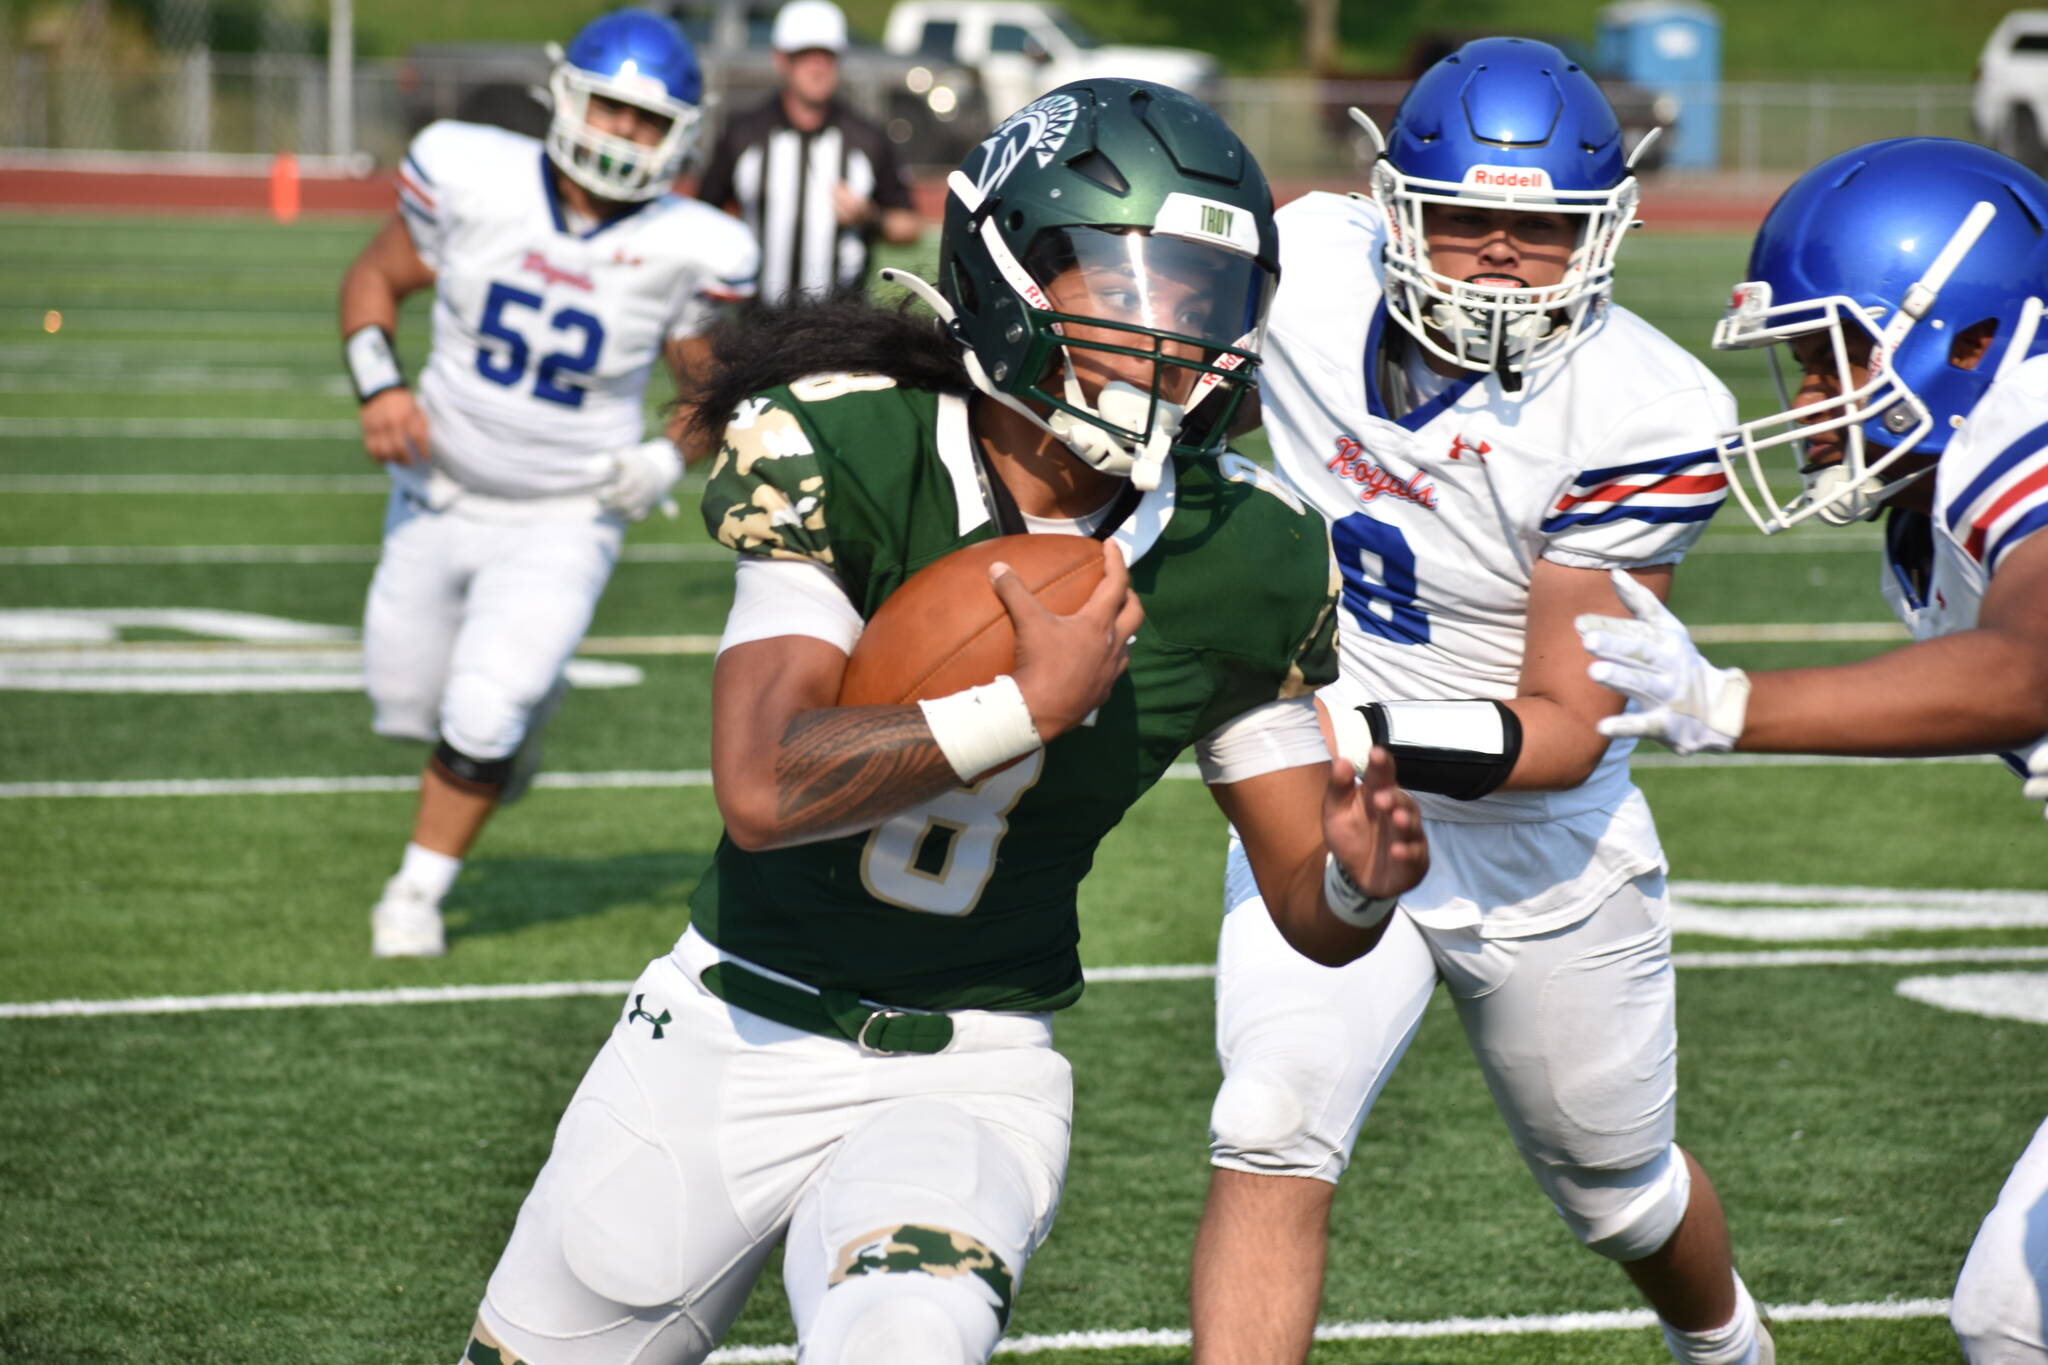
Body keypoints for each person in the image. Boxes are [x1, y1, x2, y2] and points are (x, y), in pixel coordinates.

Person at [453, 79, 1429, 1365]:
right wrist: (1018, 706)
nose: (1168, 334)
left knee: (903, 1338)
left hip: (969, 1070)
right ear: (1007, 272)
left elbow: (1308, 904)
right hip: (721, 1032)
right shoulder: (852, 443)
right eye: (1125, 285)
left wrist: (1360, 888)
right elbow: (759, 785)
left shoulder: (1243, 546)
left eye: (1198, 298)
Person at [1188, 37, 1776, 1365]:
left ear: (1601, 233)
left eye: (1541, 227)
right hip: (1334, 793)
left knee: (1617, 1192)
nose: (1504, 252)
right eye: (1466, 218)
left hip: (1535, 842)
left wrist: (1334, 728)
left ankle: (1730, 1346)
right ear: (1398, 206)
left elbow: (1568, 729)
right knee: (1271, 1118)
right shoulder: (1312, 270)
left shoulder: (1644, 406)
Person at [1576, 136, 2048, 1365]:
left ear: (1969, 336)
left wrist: (1727, 707)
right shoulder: (1934, 506)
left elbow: (2026, 672)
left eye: (1828, 354)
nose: (1802, 402)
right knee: (2011, 1315)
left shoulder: (2023, 427)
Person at [338, 11, 760, 958]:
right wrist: (378, 386)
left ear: (682, 137)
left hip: (566, 515)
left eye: (649, 123)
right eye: (612, 110)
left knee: (483, 705)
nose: (624, 136)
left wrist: (663, 457)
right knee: (408, 704)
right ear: (567, 97)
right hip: (434, 489)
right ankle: (507, 734)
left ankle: (415, 892)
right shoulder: (473, 176)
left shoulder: (691, 244)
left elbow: (707, 390)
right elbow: (374, 277)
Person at [694, 0, 920, 304]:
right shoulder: (743, 134)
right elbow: (703, 217)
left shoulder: (867, 138)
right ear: (781, 60)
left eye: (826, 56)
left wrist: (870, 218)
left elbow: (909, 226)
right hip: (761, 327)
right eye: (804, 56)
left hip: (841, 326)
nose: (817, 67)